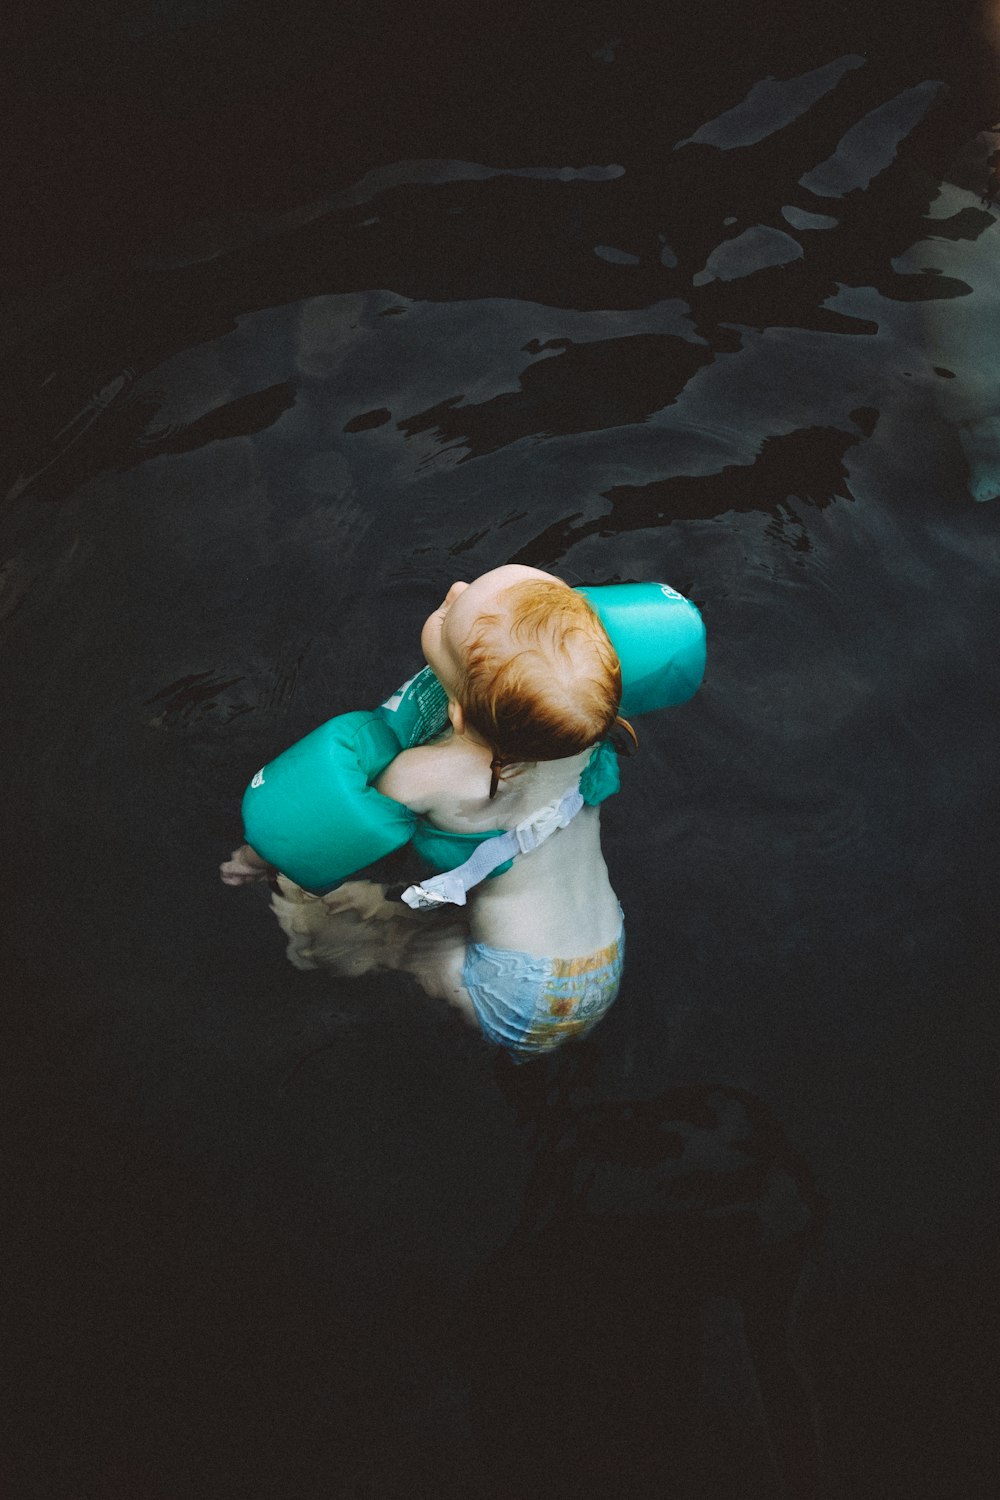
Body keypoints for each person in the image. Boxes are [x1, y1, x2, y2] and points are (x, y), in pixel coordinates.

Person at [223, 564, 627, 1059]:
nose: (455, 590)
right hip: (601, 952)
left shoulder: (429, 774)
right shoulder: (578, 729)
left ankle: (335, 948)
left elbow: (322, 829)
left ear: (456, 714)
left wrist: (258, 857)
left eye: (448, 616)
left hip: (516, 994)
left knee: (354, 921)